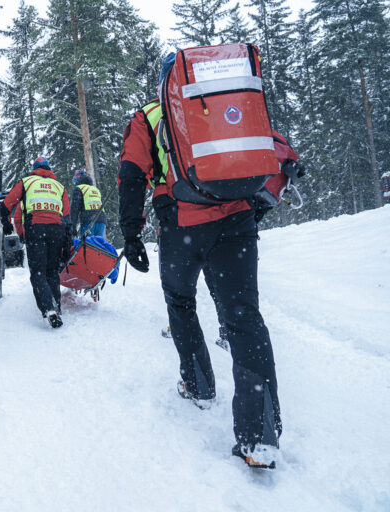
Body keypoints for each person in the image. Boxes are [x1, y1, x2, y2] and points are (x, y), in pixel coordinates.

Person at [117, 55, 283, 469]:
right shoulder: (226, 102)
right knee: (244, 316)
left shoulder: (149, 115)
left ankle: (199, 384)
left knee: (180, 301)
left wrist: (131, 233)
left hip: (181, 223)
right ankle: (259, 435)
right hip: (237, 219)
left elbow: (132, 173)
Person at [4, 157, 71, 328]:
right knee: (51, 271)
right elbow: (67, 217)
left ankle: (49, 309)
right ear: (49, 169)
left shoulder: (27, 183)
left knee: (38, 272)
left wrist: (20, 234)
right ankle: (56, 304)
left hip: (36, 229)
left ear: (34, 169)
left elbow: (8, 205)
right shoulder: (59, 187)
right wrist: (66, 242)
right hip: (57, 231)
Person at [70, 170, 107, 239]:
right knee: (98, 246)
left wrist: (73, 226)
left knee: (87, 247)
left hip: (88, 221)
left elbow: (75, 209)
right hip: (102, 220)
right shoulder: (95, 189)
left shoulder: (79, 188)